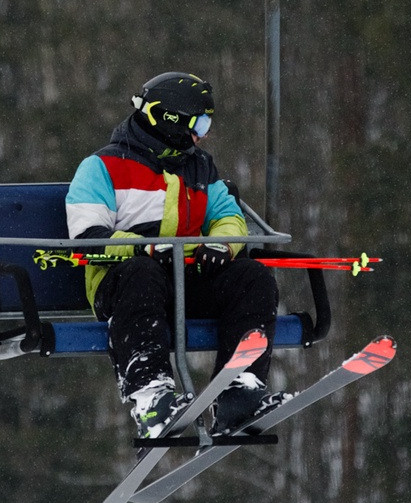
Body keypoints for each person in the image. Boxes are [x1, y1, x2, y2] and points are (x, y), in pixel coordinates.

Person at [66, 71, 288, 436]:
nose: (204, 133)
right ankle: (150, 393)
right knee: (143, 272)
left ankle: (239, 391)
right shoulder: (102, 168)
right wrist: (149, 248)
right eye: (199, 123)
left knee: (251, 277)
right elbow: (88, 237)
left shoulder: (199, 169)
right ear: (168, 118)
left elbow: (229, 218)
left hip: (186, 285)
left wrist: (222, 245)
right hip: (123, 287)